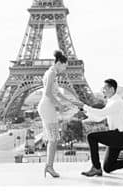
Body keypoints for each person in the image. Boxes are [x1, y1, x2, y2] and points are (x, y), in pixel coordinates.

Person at [79, 79, 123, 176]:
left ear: (112, 89)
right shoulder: (111, 102)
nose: (102, 90)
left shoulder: (117, 102)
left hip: (120, 136)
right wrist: (85, 114)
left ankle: (96, 167)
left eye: (104, 88)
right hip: (117, 137)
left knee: (91, 137)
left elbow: (101, 113)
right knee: (108, 167)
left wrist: (85, 106)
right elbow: (99, 118)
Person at [38, 50, 83, 178]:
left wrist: (73, 102)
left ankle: (49, 165)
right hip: (48, 107)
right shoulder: (51, 73)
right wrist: (60, 105)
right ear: (59, 63)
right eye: (64, 66)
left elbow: (58, 94)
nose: (65, 69)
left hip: (49, 107)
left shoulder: (52, 73)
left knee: (53, 138)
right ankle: (49, 166)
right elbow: (47, 93)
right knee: (53, 139)